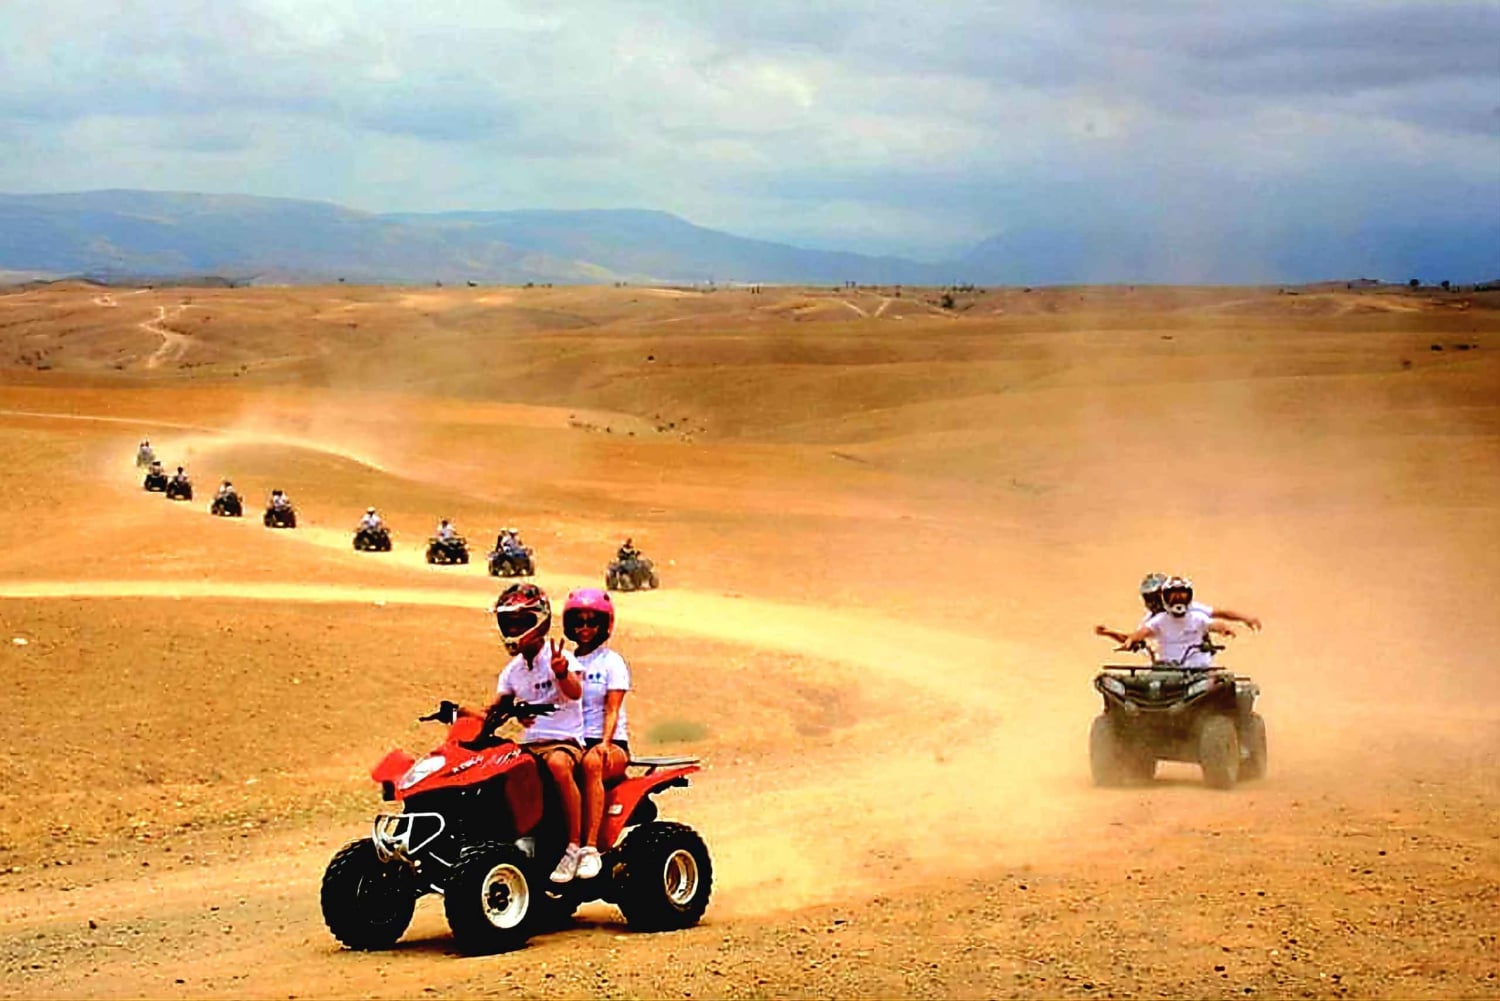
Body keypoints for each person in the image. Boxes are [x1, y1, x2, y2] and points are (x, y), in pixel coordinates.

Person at [459, 583, 587, 883]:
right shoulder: (512, 670)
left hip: (564, 741)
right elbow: (496, 709)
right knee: (499, 768)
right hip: (530, 744)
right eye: (510, 622)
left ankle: (574, 847)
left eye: (521, 621)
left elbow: (575, 692)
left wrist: (560, 673)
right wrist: (469, 717)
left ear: (540, 621)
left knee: (557, 766)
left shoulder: (562, 658)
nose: (514, 628)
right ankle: (519, 836)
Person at [564, 588, 631, 880]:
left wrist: (604, 742)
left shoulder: (611, 662)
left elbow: (612, 709)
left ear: (604, 626)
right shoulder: (565, 661)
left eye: (592, 622)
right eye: (579, 622)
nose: (585, 628)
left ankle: (589, 849)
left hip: (610, 742)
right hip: (574, 740)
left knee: (591, 764)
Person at [1095, 571, 1262, 646]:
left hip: (1196, 664)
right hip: (1165, 668)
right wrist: (1109, 633)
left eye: (1155, 597)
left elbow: (1220, 614)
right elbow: (1132, 638)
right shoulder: (1152, 620)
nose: (1152, 602)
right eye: (1149, 598)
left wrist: (1245, 618)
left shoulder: (1192, 611)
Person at [1117, 577, 1235, 668]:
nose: (1178, 600)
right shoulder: (1159, 620)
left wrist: (1224, 629)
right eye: (1173, 596)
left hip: (1197, 669)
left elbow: (1213, 624)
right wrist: (1131, 640)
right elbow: (1142, 632)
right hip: (1167, 670)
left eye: (1182, 595)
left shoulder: (1197, 617)